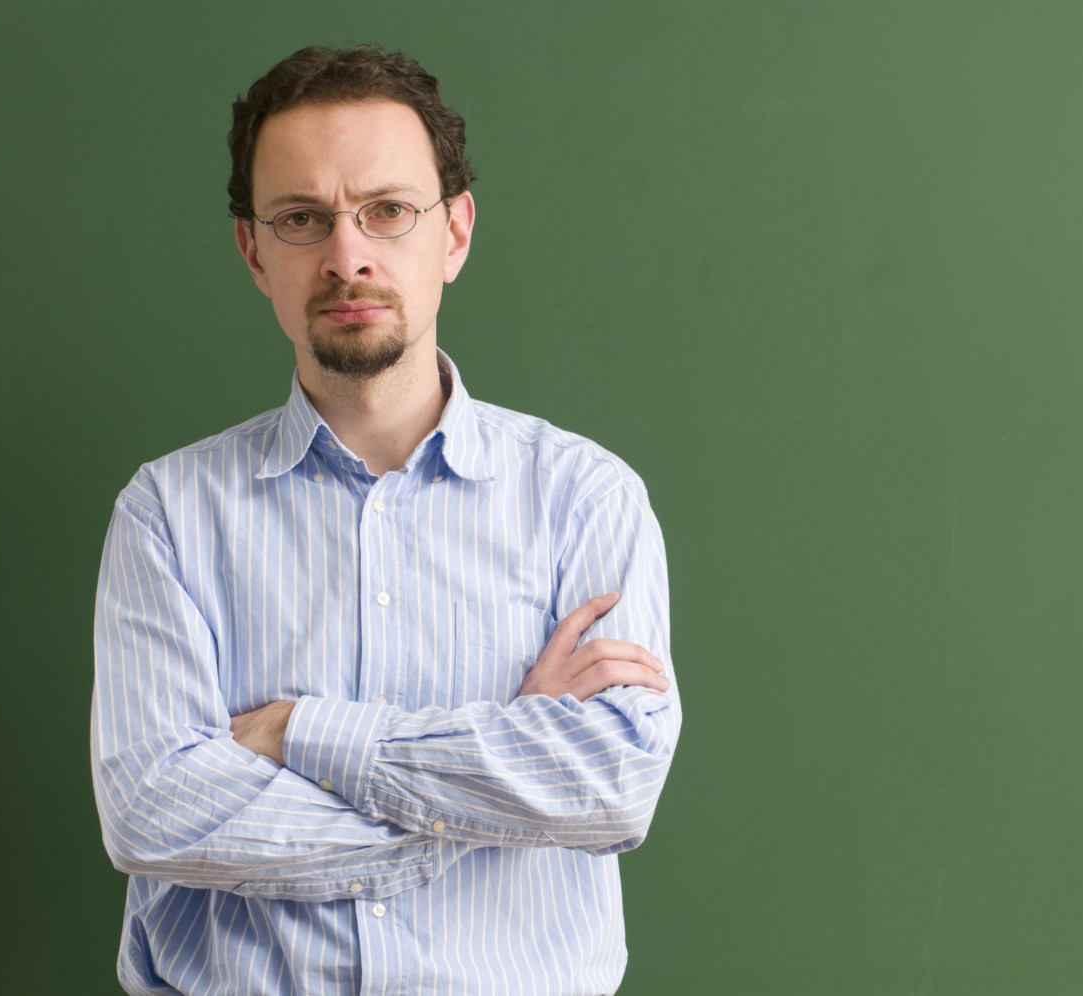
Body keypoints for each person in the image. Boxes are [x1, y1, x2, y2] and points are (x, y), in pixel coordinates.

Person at [91, 44, 680, 995]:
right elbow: (155, 811)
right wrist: (481, 795)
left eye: (388, 211)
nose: (347, 255)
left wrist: (295, 734)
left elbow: (610, 783)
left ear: (453, 233)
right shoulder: (168, 514)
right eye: (302, 219)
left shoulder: (586, 499)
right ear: (253, 251)